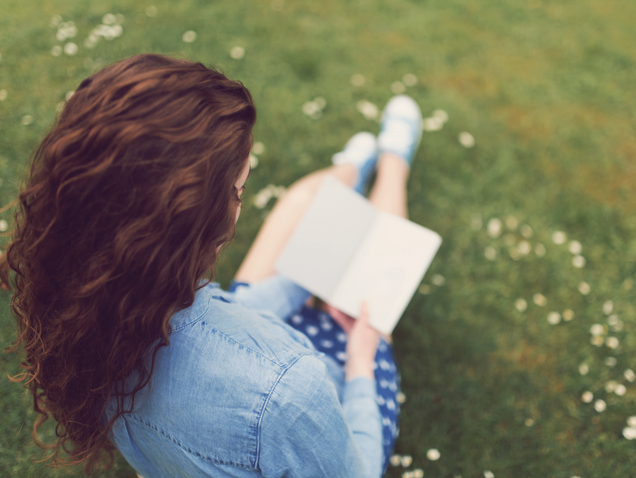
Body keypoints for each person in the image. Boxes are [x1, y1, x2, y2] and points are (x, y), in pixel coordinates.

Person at [1, 53, 423, 477]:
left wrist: (299, 281)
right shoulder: (290, 389)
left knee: (304, 214)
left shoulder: (81, 294)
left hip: (225, 377)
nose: (239, 204)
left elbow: (215, 319)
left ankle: (352, 165)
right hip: (313, 392)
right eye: (239, 191)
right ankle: (392, 163)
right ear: (196, 222)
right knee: (369, 268)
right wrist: (361, 359)